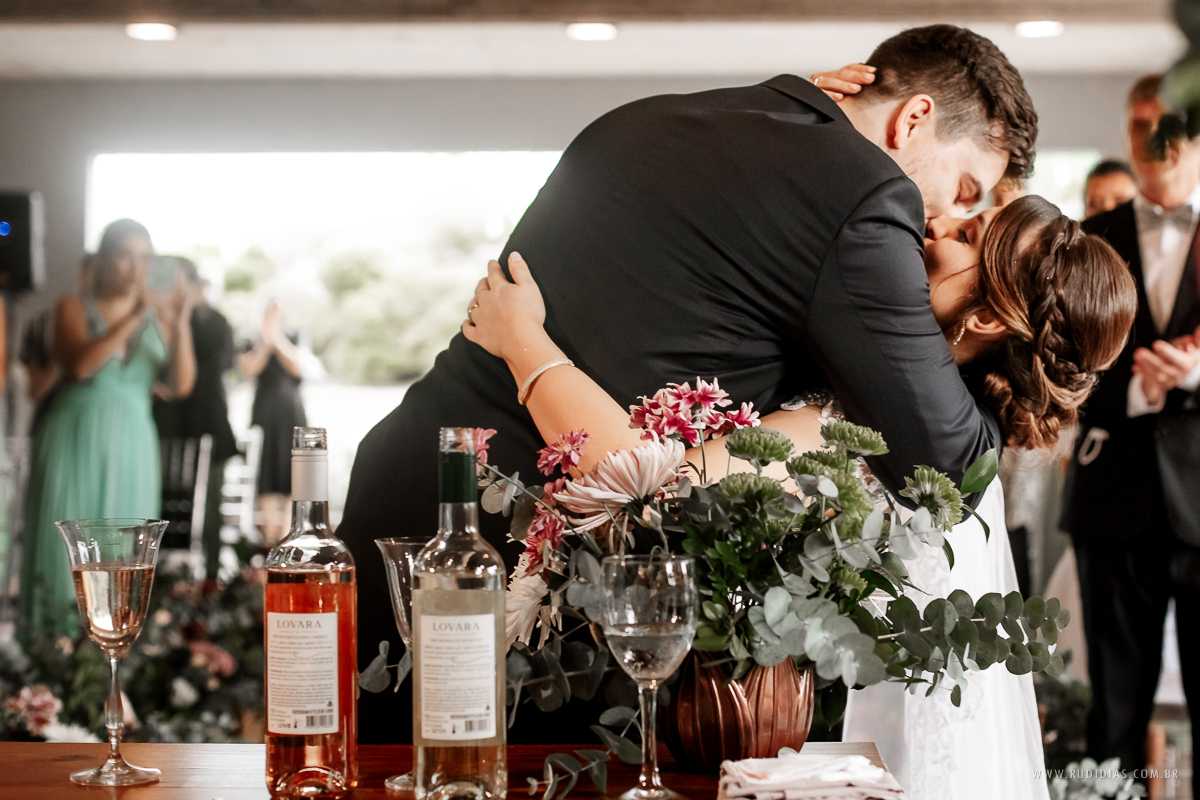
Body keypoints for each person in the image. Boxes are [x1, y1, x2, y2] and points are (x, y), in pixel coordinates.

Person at [338, 24, 1037, 744]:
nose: (943, 217)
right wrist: (1030, 390)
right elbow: (947, 464)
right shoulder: (867, 196)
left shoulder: (649, 118)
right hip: (523, 577)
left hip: (405, 483)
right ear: (913, 118)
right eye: (963, 189)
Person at [467, 193, 1135, 799]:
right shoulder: (943, 432)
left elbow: (651, 493)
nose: (936, 221)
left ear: (987, 317)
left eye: (966, 234)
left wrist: (522, 342)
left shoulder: (876, 436)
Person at [1061, 74, 1200, 779]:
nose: (1156, 140)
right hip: (1114, 499)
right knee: (1114, 714)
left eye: (1171, 123)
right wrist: (1138, 389)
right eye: (1141, 125)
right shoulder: (1087, 241)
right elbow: (1057, 364)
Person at [19, 219, 196, 638]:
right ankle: (51, 652)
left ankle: (114, 652)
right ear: (102, 260)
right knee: (64, 547)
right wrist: (134, 316)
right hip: (73, 439)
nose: (136, 268)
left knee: (125, 557)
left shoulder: (160, 317)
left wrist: (180, 322)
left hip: (134, 443)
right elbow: (80, 365)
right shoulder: (73, 307)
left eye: (145, 258)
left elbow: (180, 385)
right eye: (125, 256)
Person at [153, 259, 238, 579]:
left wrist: (182, 318)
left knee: (209, 504)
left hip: (208, 424)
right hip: (165, 424)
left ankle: (211, 579)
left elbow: (218, 366)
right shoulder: (155, 318)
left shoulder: (216, 323)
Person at [238, 298, 307, 545]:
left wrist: (276, 337)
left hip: (290, 412)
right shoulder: (251, 340)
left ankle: (289, 531)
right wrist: (265, 342)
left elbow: (298, 366)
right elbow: (248, 370)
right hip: (265, 412)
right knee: (265, 469)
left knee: (293, 471)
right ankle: (267, 535)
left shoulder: (294, 336)